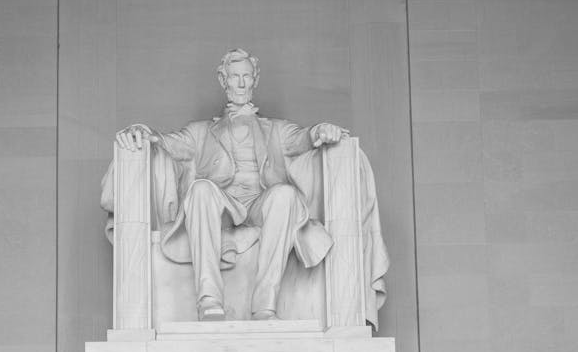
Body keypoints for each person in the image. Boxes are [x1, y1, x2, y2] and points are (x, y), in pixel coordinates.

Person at [110, 48, 381, 322]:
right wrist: (141, 132)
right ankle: (209, 300)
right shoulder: (200, 132)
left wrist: (322, 129)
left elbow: (304, 138)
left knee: (285, 195)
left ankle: (265, 305)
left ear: (255, 79)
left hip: (259, 205)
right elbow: (165, 142)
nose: (241, 83)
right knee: (200, 189)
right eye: (234, 76)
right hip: (222, 207)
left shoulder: (276, 129)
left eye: (247, 77)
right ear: (222, 80)